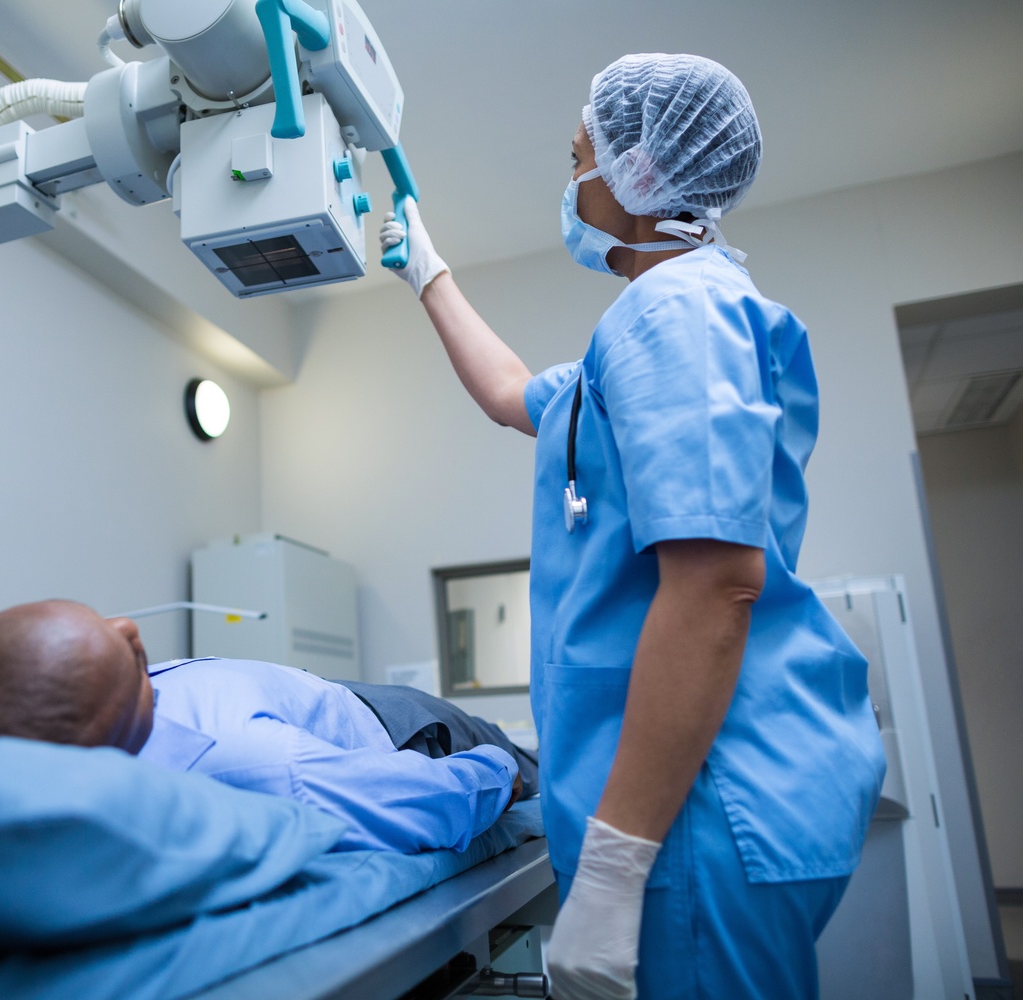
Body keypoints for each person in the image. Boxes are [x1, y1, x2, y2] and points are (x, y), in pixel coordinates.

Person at [379, 53, 885, 1000]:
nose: (570, 179)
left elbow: (714, 586)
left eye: (580, 157)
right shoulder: (655, 327)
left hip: (695, 813)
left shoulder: (677, 309)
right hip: (691, 808)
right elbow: (511, 395)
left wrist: (613, 872)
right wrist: (428, 272)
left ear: (639, 175)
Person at [0, 599, 537, 854]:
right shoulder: (255, 764)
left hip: (328, 695)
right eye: (129, 662)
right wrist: (501, 774)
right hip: (402, 728)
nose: (126, 630)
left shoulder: (93, 711)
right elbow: (437, 800)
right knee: (524, 759)